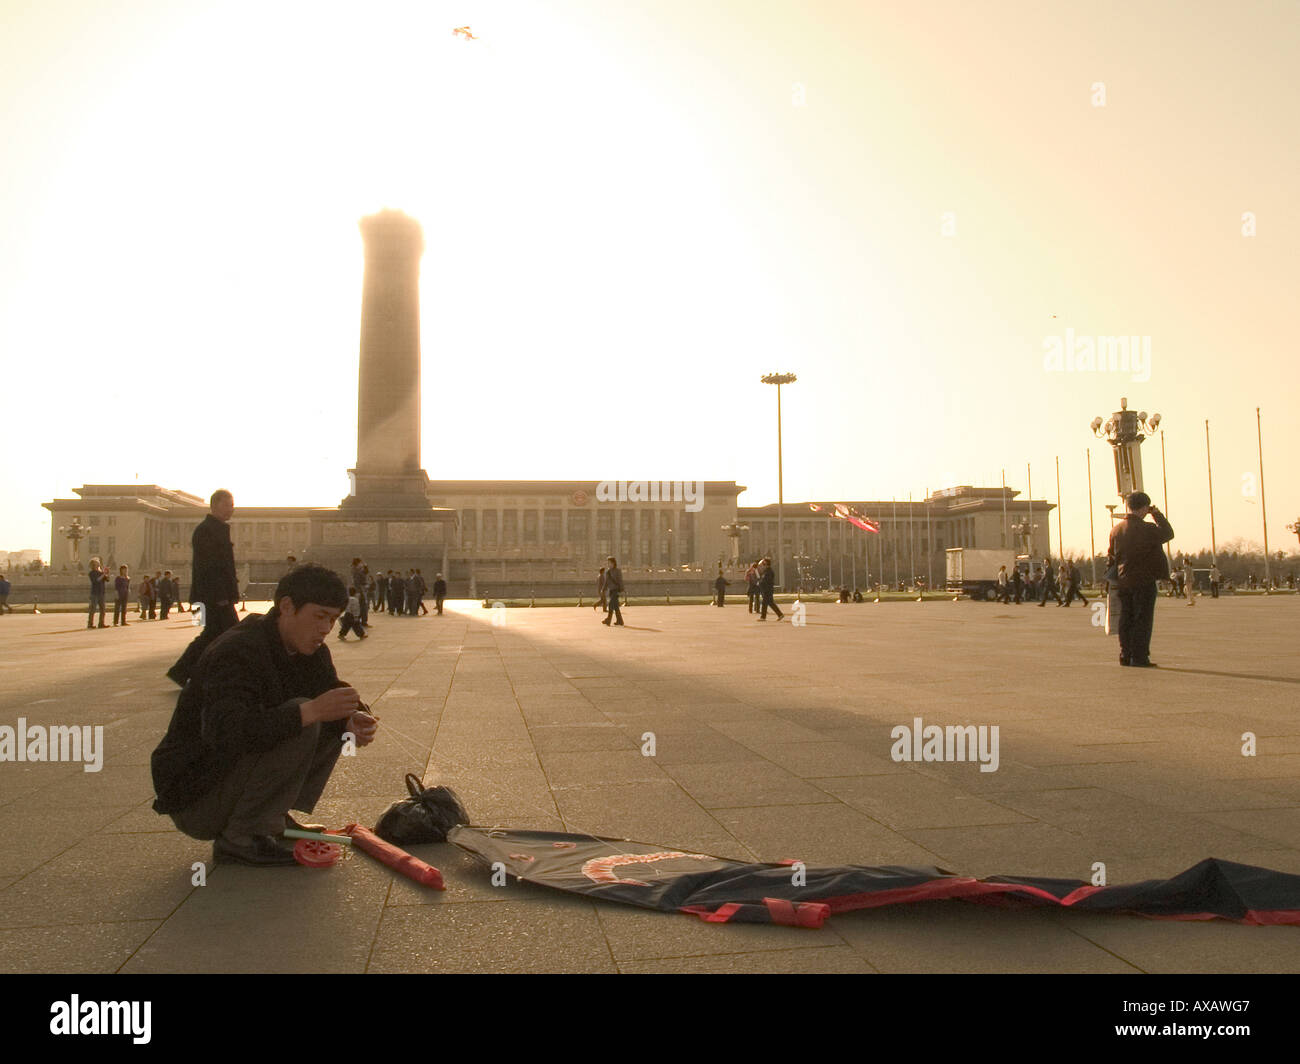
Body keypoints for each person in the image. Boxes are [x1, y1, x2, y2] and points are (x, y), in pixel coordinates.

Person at [150, 564, 377, 866]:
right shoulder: (238, 650)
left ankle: (270, 817)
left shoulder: (309, 649)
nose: (326, 629)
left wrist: (352, 718)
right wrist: (309, 711)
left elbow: (330, 690)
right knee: (305, 714)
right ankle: (243, 836)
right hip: (197, 797)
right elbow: (226, 732)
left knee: (326, 715)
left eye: (333, 619)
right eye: (319, 616)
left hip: (227, 781)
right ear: (287, 606)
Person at [168, 490, 240, 686]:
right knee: (227, 634)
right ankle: (184, 671)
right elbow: (209, 567)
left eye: (232, 505)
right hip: (212, 595)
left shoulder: (216, 529)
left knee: (214, 634)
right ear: (214, 505)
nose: (231, 509)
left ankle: (185, 671)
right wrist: (221, 595)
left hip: (214, 594)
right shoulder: (206, 531)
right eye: (227, 505)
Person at [1106, 491, 1174, 668]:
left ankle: (1125, 654)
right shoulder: (1147, 529)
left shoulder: (1116, 530)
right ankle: (1139, 656)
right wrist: (1157, 514)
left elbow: (1111, 557)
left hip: (1123, 580)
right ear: (1145, 507)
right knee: (1142, 619)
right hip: (1144, 580)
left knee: (1126, 618)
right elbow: (1168, 533)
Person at [757, 557, 783, 621]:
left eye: (763, 564)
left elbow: (765, 581)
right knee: (770, 603)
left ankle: (763, 617)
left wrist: (760, 582)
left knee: (764, 603)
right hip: (767, 589)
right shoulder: (766, 571)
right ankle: (780, 614)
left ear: (766, 564)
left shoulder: (769, 572)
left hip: (767, 590)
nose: (762, 566)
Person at [602, 556, 625, 626]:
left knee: (610, 604)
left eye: (609, 562)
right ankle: (620, 621)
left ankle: (608, 620)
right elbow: (606, 582)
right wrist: (603, 589)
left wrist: (622, 589)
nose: (608, 564)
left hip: (616, 590)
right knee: (615, 607)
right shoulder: (607, 572)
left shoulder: (617, 571)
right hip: (611, 591)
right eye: (607, 563)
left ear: (613, 563)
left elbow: (620, 581)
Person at [87, 558, 109, 629]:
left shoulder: (100, 572)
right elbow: (96, 580)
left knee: (103, 609)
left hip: (102, 593)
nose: (98, 564)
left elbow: (107, 579)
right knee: (93, 609)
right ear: (93, 565)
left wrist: (106, 573)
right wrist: (103, 574)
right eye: (97, 563)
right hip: (95, 593)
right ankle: (90, 624)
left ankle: (101, 623)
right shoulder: (91, 573)